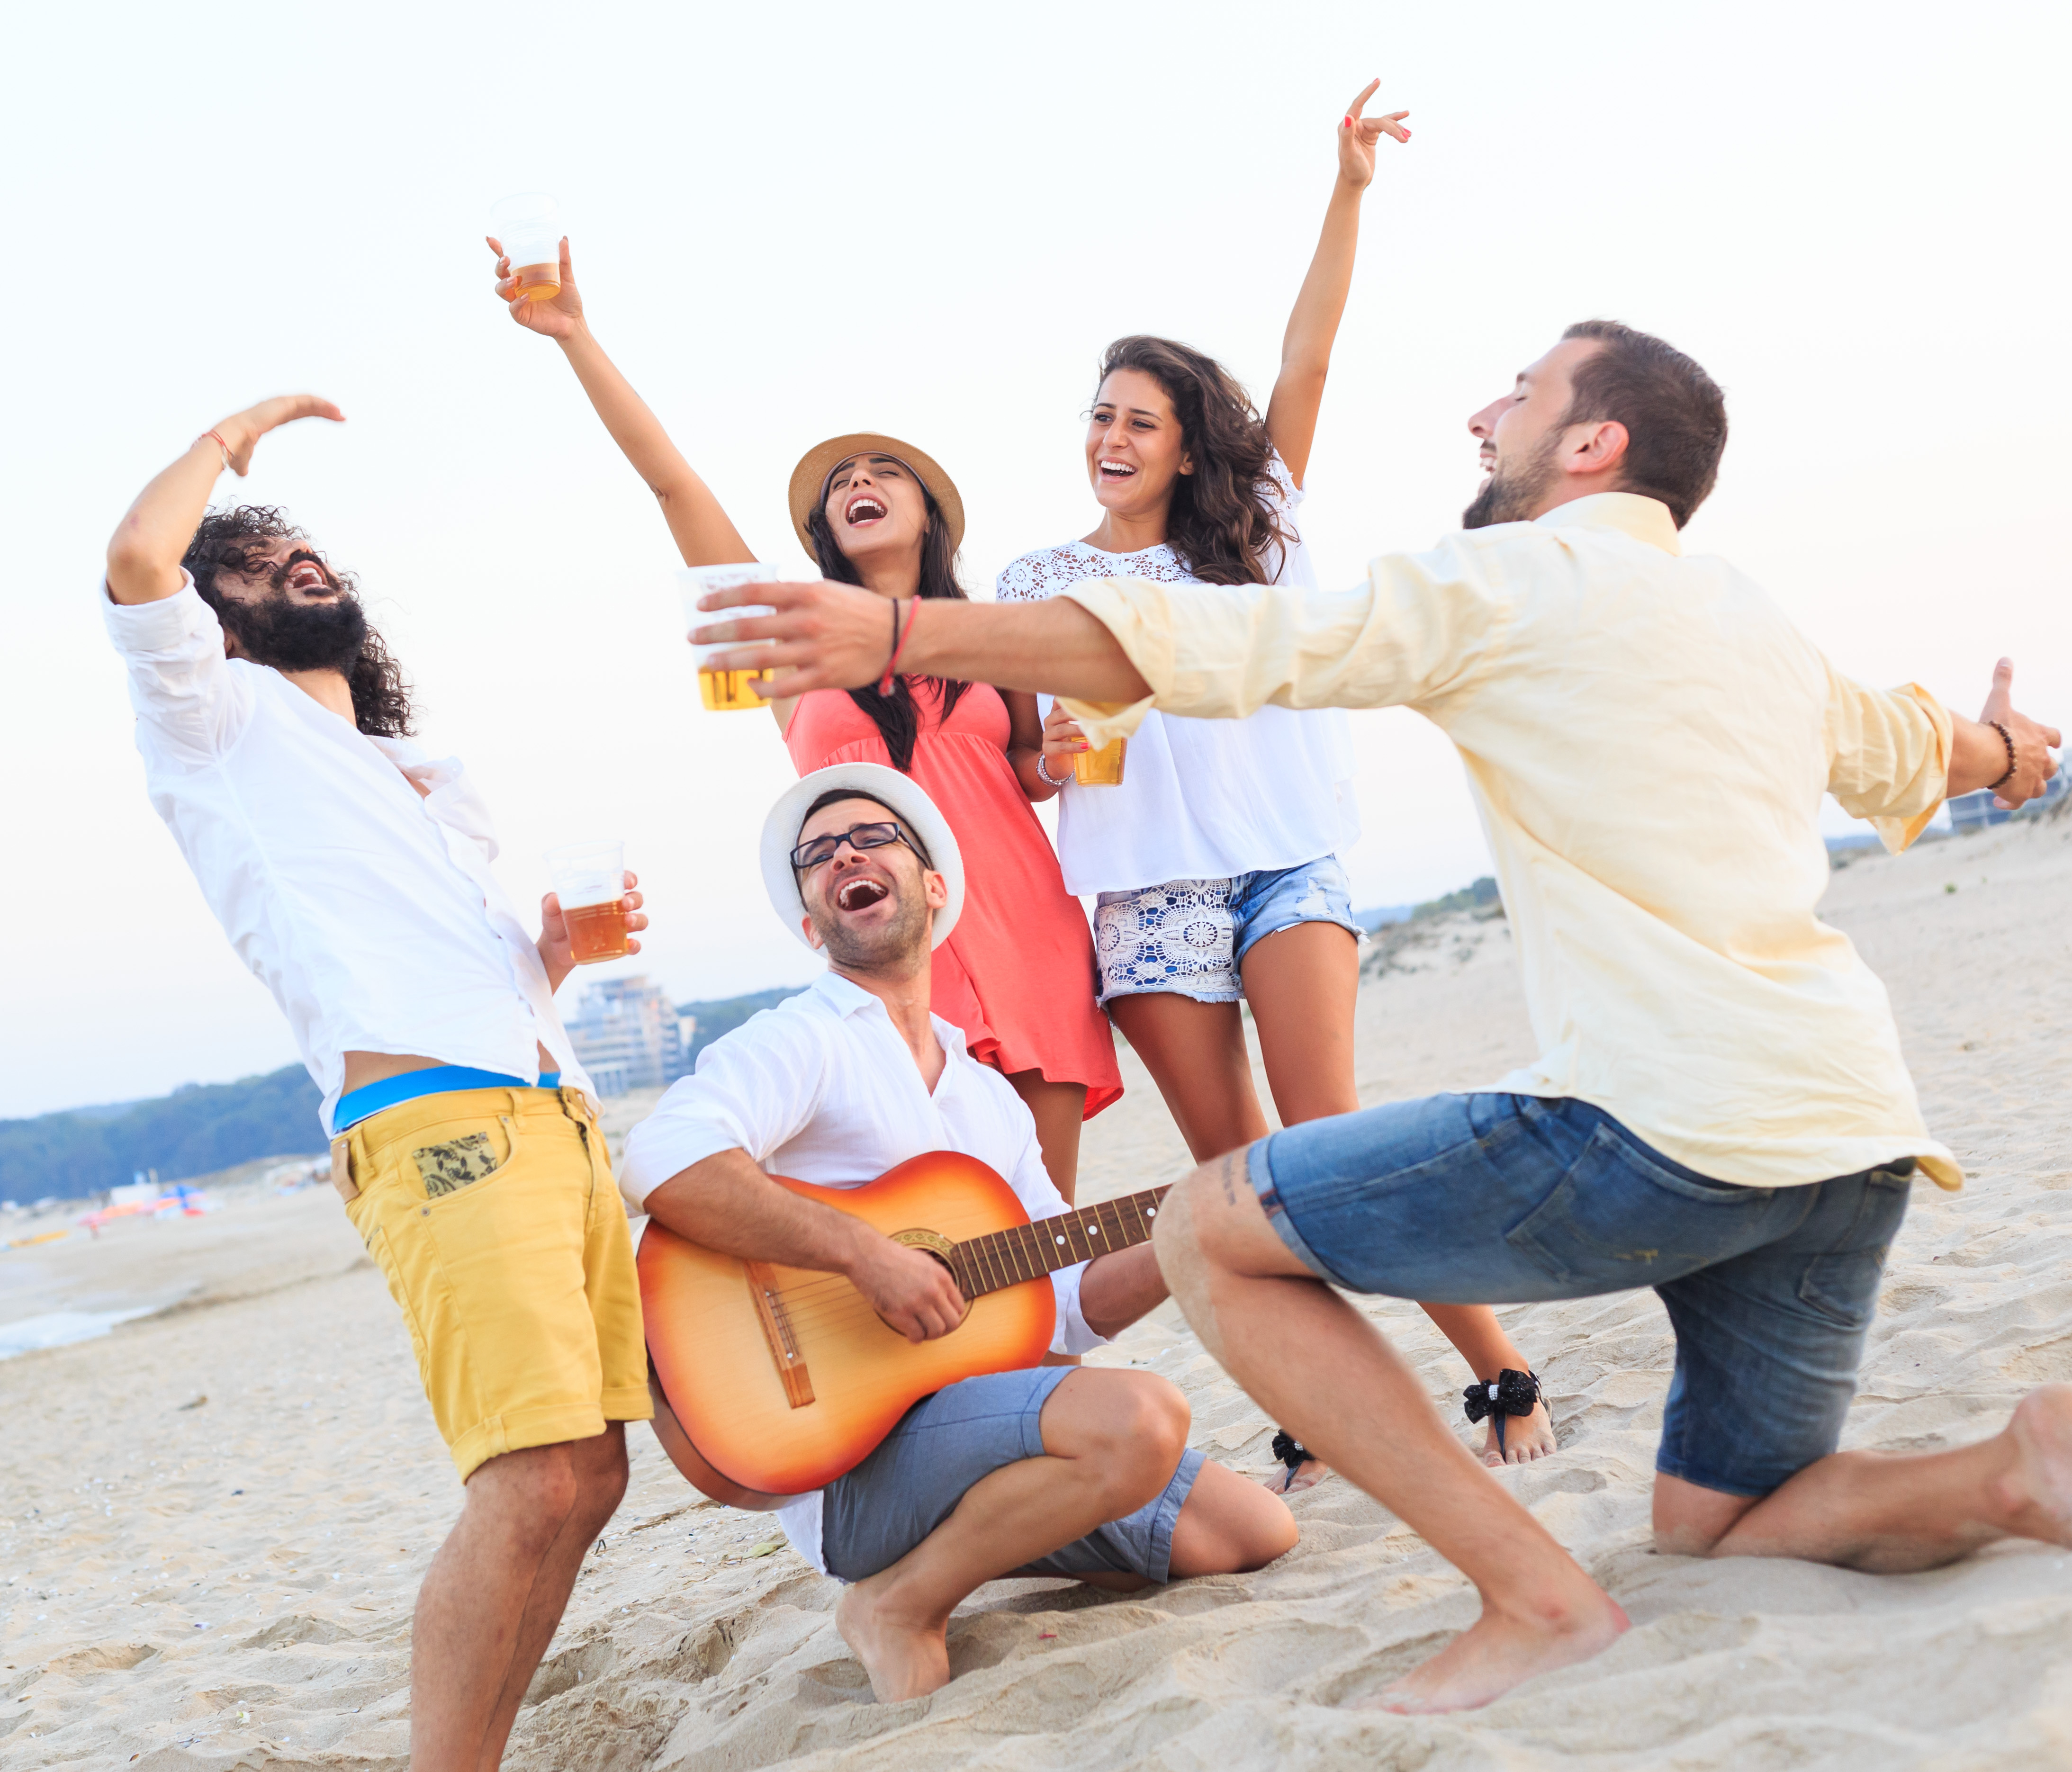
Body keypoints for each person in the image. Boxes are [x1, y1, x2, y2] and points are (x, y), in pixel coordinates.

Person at [682, 321, 2072, 1712]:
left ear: (1592, 442)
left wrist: (900, 636)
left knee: (1212, 1222)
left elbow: (1222, 645)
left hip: (1659, 1123)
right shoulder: (1745, 613)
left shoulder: (1509, 581)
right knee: (1723, 1518)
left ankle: (1535, 1598)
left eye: (1521, 395)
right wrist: (2007, 750)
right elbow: (1913, 745)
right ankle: (2030, 1460)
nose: (1485, 415)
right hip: (1852, 1138)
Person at [998, 81, 1554, 1475]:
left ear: (1187, 441)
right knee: (1244, 1180)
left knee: (1329, 1133)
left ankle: (1497, 1368)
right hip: (1145, 894)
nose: (1112, 438)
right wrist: (1051, 757)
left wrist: (1349, 188)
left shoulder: (1258, 521)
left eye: (1141, 420)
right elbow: (1026, 757)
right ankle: (1316, 1403)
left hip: (1284, 857)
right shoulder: (1035, 576)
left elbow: (1309, 351)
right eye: (1099, 415)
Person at [100, 396, 651, 1772]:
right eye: (251, 562)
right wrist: (229, 440)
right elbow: (136, 560)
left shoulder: (409, 773)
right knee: (527, 1475)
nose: (294, 559)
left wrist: (553, 955)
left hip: (550, 1107)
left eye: (304, 549)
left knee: (590, 1473)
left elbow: (447, 962)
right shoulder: (215, 719)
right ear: (217, 624)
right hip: (435, 1121)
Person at [619, 764, 1297, 1702]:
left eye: (872, 838)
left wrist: (1190, 1230)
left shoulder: (987, 1096)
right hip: (845, 1460)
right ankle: (896, 1601)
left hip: (974, 1431)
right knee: (1140, 1417)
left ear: (934, 887)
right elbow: (661, 1159)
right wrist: (864, 1255)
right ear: (811, 923)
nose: (844, 855)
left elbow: (1065, 1302)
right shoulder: (803, 1039)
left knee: (1255, 1529)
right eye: (818, 855)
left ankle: (988, 1537)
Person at [490, 243, 1121, 1203]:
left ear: (928, 514)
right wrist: (576, 336)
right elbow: (675, 488)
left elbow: (1029, 768)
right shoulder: (793, 645)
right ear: (828, 529)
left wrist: (1063, 761)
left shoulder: (989, 634)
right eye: (840, 481)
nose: (857, 480)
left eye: (883, 471)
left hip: (1026, 929)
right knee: (922, 1212)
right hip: (883, 939)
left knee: (1036, 1224)